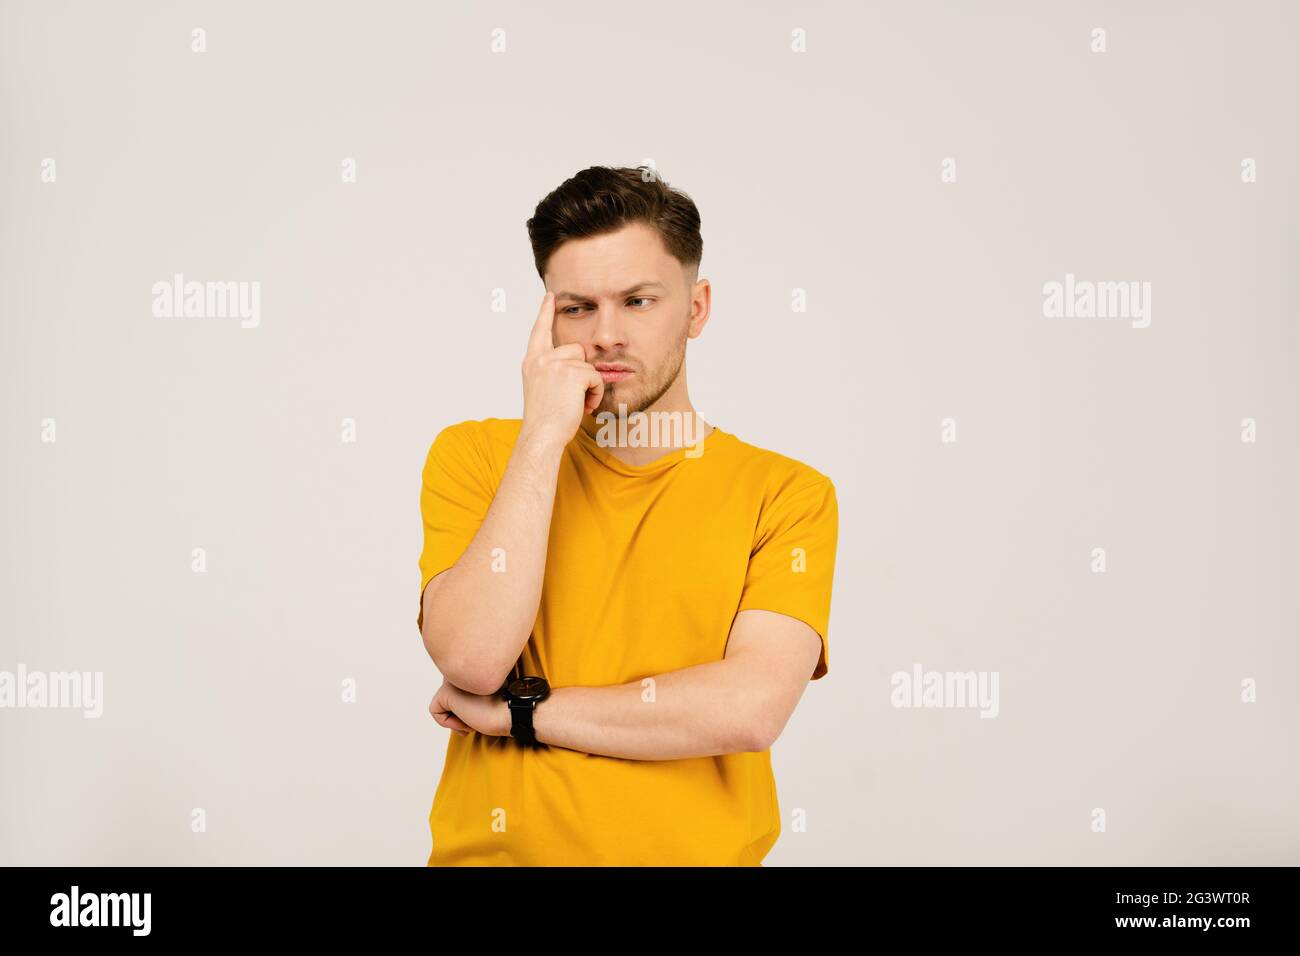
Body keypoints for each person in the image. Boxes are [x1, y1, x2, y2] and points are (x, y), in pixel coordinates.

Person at [417, 165, 839, 865]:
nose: (606, 334)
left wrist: (522, 715)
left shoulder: (786, 493)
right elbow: (472, 656)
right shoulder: (479, 456)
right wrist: (543, 436)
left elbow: (749, 709)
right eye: (576, 307)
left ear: (697, 308)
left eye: (638, 301)